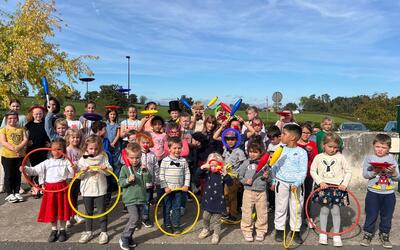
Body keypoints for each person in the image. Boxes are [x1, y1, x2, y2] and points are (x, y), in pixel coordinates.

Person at [21, 138, 75, 242]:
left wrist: (74, 167)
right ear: (50, 149)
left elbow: (73, 174)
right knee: (52, 209)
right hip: (50, 190)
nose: (56, 151)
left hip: (61, 188)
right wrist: (25, 169)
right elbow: (34, 170)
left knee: (62, 210)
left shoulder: (66, 162)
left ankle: (62, 230)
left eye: (59, 149)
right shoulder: (47, 162)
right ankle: (54, 230)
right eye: (54, 149)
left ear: (63, 150)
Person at [310, 132, 352, 247]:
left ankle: (336, 235)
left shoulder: (340, 157)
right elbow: (313, 171)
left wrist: (344, 183)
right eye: (330, 146)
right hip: (324, 187)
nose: (333, 149)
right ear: (323, 145)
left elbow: (348, 171)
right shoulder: (319, 157)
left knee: (336, 211)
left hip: (337, 188)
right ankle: (323, 233)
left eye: (335, 147)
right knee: (324, 211)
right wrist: (320, 182)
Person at [360, 134, 399, 249]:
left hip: (389, 194)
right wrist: (375, 171)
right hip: (373, 192)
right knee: (371, 213)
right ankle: (367, 234)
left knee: (387, 215)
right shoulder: (369, 158)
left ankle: (385, 234)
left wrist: (393, 173)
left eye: (383, 147)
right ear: (373, 146)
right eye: (377, 147)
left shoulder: (392, 159)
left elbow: (398, 177)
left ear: (389, 148)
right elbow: (365, 175)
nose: (380, 150)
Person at [270, 124, 307, 244]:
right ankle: (279, 230)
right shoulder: (280, 149)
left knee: (296, 208)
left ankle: (295, 231)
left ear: (292, 137)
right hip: (282, 183)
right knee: (280, 207)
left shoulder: (302, 152)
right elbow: (275, 167)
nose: (281, 136)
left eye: (284, 134)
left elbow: (303, 171)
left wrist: (297, 183)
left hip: (296, 186)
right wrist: (274, 180)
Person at [77, 135, 113, 245]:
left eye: (96, 148)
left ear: (100, 148)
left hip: (100, 188)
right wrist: (82, 171)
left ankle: (103, 232)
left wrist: (105, 169)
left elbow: (110, 172)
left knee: (102, 211)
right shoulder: (83, 159)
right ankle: (88, 231)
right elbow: (78, 176)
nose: (94, 151)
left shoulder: (103, 157)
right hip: (87, 189)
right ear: (86, 148)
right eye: (91, 148)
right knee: (88, 212)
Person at [118, 142, 152, 250]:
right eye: (132, 158)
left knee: (137, 221)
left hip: (141, 198)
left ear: (140, 156)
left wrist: (146, 172)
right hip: (130, 198)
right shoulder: (124, 169)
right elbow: (120, 183)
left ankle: (129, 238)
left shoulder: (142, 168)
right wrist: (128, 180)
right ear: (127, 157)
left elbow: (149, 180)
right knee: (134, 218)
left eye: (137, 157)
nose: (135, 160)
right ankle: (124, 237)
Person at [197, 153, 233, 244]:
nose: (213, 167)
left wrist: (226, 174)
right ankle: (206, 229)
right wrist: (202, 167)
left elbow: (230, 183)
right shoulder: (207, 173)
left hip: (218, 201)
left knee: (217, 220)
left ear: (220, 165)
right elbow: (196, 176)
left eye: (215, 165)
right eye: (211, 165)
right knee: (205, 217)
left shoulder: (221, 174)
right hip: (208, 200)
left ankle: (216, 234)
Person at [159, 137, 190, 234]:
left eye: (179, 148)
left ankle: (176, 225)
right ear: (169, 149)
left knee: (177, 208)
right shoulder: (165, 160)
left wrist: (186, 185)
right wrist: (165, 187)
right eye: (175, 148)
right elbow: (161, 175)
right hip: (168, 190)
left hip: (179, 189)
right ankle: (167, 224)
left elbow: (187, 173)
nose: (177, 150)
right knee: (167, 207)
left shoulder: (183, 161)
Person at [239, 141, 269, 242]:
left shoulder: (265, 164)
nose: (252, 154)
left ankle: (261, 230)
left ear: (261, 152)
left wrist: (266, 177)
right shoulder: (246, 163)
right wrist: (245, 181)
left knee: (262, 212)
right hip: (248, 191)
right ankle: (247, 230)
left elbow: (270, 178)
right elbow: (240, 176)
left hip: (261, 192)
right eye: (250, 151)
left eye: (255, 152)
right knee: (247, 212)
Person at [0, 110, 28, 203]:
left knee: (18, 174)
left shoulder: (21, 129)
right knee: (8, 175)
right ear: (6, 119)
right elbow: (3, 142)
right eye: (10, 118)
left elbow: (25, 139)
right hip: (7, 156)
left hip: (19, 156)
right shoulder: (3, 129)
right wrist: (13, 148)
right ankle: (9, 193)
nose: (12, 120)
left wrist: (19, 147)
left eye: (14, 118)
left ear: (17, 119)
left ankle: (16, 192)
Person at [25, 105, 50, 198]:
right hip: (33, 151)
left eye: (40, 113)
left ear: (43, 114)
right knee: (35, 169)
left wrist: (50, 144)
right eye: (36, 114)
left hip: (44, 150)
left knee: (43, 169)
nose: (38, 115)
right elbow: (25, 136)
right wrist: (27, 142)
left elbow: (49, 135)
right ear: (32, 114)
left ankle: (42, 186)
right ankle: (35, 187)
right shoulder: (29, 125)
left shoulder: (46, 123)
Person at [297, 122, 318, 228]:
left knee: (307, 196)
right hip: (296, 175)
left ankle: (307, 217)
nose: (305, 135)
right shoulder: (295, 144)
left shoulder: (313, 144)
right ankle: (295, 218)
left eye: (308, 133)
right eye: (303, 132)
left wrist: (309, 152)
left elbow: (315, 159)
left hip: (308, 175)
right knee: (296, 197)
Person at [136, 131, 159, 228]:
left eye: (147, 143)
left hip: (149, 183)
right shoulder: (136, 154)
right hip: (138, 183)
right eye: (143, 143)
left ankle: (145, 218)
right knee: (137, 201)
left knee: (147, 201)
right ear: (139, 143)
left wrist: (157, 180)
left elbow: (156, 168)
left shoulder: (152, 155)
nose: (145, 145)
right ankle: (136, 219)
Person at [65, 128, 84, 227]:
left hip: (77, 177)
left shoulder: (80, 151)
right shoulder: (67, 150)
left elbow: (81, 163)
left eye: (77, 138)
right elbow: (65, 163)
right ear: (68, 138)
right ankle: (67, 217)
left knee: (75, 197)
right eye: (73, 137)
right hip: (68, 177)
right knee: (68, 198)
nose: (75, 140)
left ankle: (75, 214)